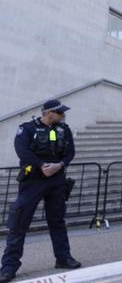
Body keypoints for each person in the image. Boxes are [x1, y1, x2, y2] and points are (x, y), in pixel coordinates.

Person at [0, 99, 80, 283]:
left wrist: (59, 165)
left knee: (58, 221)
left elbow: (70, 153)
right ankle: (9, 266)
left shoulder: (63, 129)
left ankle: (63, 258)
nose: (63, 115)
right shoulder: (27, 128)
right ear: (48, 113)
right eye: (60, 112)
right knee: (19, 223)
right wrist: (41, 165)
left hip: (57, 180)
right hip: (33, 180)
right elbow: (22, 151)